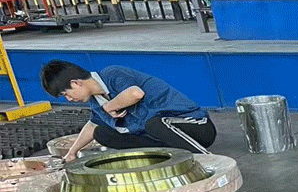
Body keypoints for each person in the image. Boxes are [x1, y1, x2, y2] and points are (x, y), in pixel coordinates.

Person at [40, 59, 217, 161]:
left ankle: (208, 160)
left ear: (76, 83)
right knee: (102, 134)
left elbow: (135, 93)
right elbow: (92, 126)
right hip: (165, 137)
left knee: (154, 124)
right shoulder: (95, 101)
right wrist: (71, 153)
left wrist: (109, 106)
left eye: (66, 94)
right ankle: (166, 156)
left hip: (196, 127)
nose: (69, 99)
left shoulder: (112, 74)